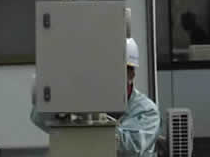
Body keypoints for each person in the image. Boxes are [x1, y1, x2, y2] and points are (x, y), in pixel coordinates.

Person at [31, 37, 161, 157]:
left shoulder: (146, 111)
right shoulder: (86, 101)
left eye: (115, 70)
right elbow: (39, 117)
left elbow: (132, 148)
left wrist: (91, 119)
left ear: (131, 75)